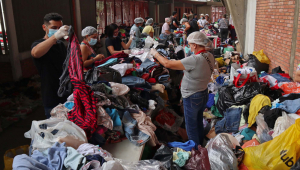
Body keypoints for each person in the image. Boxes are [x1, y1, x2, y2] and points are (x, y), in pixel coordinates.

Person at [149, 31, 214, 146]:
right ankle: (200, 145)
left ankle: (196, 152)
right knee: (198, 122)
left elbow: (167, 64)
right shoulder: (208, 55)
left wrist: (155, 53)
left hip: (192, 96)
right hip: (203, 94)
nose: (189, 47)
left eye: (190, 45)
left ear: (195, 45)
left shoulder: (195, 59)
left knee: (191, 127)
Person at [31, 13, 69, 118]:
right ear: (44, 27)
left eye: (59, 28)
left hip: (65, 92)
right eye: (54, 28)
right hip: (51, 94)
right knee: (56, 128)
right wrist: (55, 37)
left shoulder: (61, 45)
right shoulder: (38, 44)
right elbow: (35, 53)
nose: (57, 30)